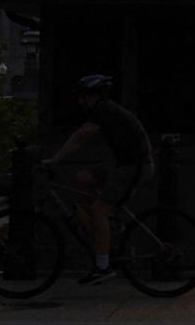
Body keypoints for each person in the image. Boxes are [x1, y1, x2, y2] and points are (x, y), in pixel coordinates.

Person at [43, 74, 154, 284]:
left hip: (133, 168)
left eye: (81, 97)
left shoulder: (103, 110)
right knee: (82, 178)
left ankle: (102, 266)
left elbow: (80, 137)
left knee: (99, 209)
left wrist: (54, 160)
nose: (79, 102)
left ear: (91, 96)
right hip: (119, 165)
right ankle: (108, 226)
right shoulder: (107, 110)